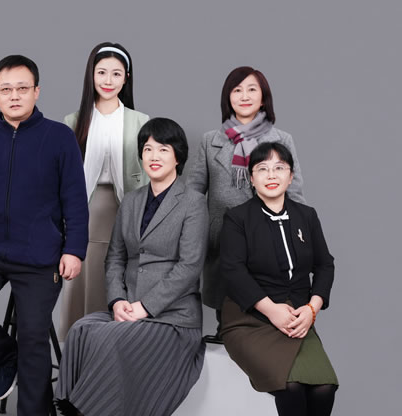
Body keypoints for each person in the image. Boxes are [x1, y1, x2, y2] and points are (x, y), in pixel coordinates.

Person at [0, 55, 89, 415]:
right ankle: (8, 355)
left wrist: (74, 249)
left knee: (34, 335)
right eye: (6, 89)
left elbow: (75, 198)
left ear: (36, 91)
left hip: (40, 258)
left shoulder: (59, 137)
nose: (14, 96)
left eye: (22, 88)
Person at [55, 118, 207, 416]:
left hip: (172, 318)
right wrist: (117, 300)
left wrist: (145, 307)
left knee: (107, 338)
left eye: (163, 149)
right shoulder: (131, 201)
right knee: (80, 330)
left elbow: (189, 267)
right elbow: (115, 258)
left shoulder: (193, 202)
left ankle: (87, 411)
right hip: (128, 307)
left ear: (178, 156)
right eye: (147, 149)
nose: (154, 156)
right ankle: (66, 409)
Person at [186, 66, 305, 340]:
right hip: (223, 236)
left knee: (269, 303)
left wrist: (299, 236)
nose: (244, 96)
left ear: (263, 98)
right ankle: (226, 332)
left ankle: (262, 341)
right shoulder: (210, 141)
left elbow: (295, 192)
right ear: (228, 98)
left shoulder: (282, 140)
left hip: (269, 233)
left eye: (252, 89)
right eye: (237, 90)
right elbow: (194, 193)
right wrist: (193, 231)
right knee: (227, 296)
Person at [219, 142, 338, 416]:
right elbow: (233, 270)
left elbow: (325, 265)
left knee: (324, 389)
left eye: (279, 168)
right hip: (249, 320)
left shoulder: (307, 216)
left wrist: (312, 309)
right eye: (262, 169)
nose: (271, 175)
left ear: (291, 176)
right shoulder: (237, 218)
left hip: (297, 318)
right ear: (251, 178)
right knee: (291, 387)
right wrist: (271, 310)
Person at [59, 42, 150, 339]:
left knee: (118, 274)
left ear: (126, 78)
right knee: (82, 279)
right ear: (91, 75)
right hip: (82, 209)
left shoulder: (140, 121)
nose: (108, 80)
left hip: (127, 207)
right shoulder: (73, 121)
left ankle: (113, 347)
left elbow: (148, 174)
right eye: (101, 72)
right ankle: (77, 344)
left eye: (116, 73)